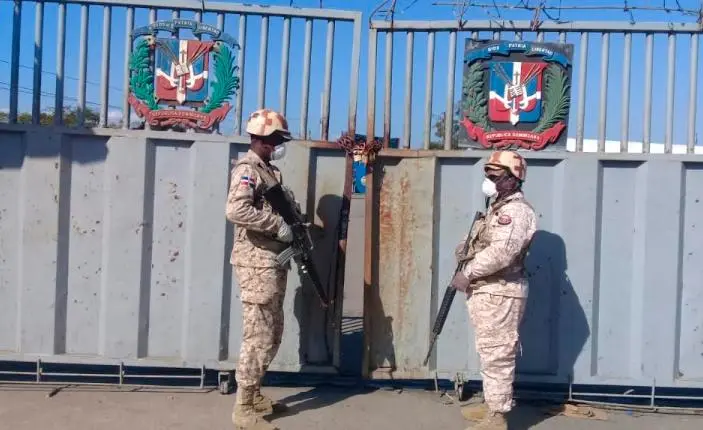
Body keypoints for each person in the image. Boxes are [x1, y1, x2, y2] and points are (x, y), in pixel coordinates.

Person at [450, 150, 537, 430]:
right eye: (487, 174)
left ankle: (497, 417)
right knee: (489, 351)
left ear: (513, 178)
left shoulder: (515, 211)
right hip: (490, 290)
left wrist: (468, 273)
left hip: (501, 291)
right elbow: (479, 242)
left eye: (495, 175)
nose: (489, 180)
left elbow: (502, 252)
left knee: (498, 353)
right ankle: (492, 405)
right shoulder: (497, 208)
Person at [226, 108, 297, 430]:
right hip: (256, 264)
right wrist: (276, 225)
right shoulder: (248, 170)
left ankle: (254, 395)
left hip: (270, 262)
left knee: (272, 332)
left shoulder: (269, 171)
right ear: (263, 139)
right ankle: (243, 408)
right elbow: (235, 210)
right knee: (258, 334)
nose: (279, 145)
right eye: (277, 139)